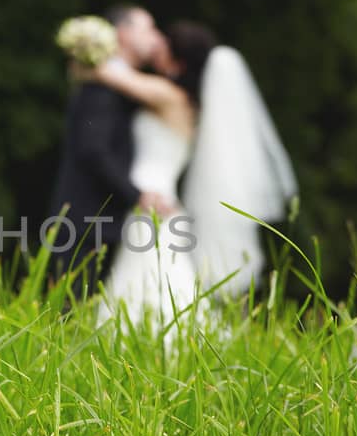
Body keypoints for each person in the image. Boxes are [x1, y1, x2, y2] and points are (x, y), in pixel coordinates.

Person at [85, 21, 297, 327]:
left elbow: (105, 73)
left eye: (164, 48)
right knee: (154, 271)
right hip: (160, 197)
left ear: (179, 62)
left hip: (150, 196)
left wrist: (85, 47)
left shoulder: (167, 96)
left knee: (150, 271)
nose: (158, 50)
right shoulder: (188, 105)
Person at [44, 5, 171, 296]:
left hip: (107, 218)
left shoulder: (109, 81)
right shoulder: (101, 88)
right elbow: (94, 151)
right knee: (72, 310)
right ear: (123, 34)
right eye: (147, 28)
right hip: (88, 218)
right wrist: (137, 195)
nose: (155, 37)